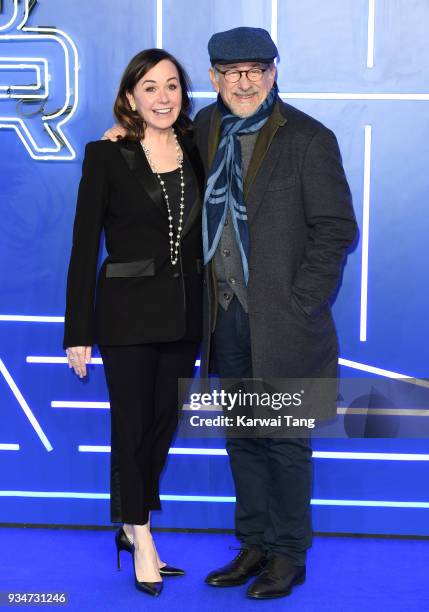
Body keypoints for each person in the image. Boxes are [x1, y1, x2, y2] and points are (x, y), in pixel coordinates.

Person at [104, 27, 357, 600]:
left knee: (286, 442)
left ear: (273, 73)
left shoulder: (310, 139)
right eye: (231, 72)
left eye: (255, 70)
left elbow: (337, 229)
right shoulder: (206, 129)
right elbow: (153, 146)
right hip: (222, 321)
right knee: (243, 436)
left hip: (286, 323)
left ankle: (289, 555)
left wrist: (300, 301)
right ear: (214, 79)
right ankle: (254, 544)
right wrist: (123, 133)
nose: (244, 82)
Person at [64, 48, 205, 597]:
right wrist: (78, 329)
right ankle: (141, 535)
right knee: (130, 426)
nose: (163, 96)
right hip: (125, 315)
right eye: (150, 87)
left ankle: (131, 519)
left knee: (162, 425)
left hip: (187, 313)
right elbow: (82, 247)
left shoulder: (199, 147)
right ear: (130, 97)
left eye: (171, 86)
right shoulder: (106, 155)